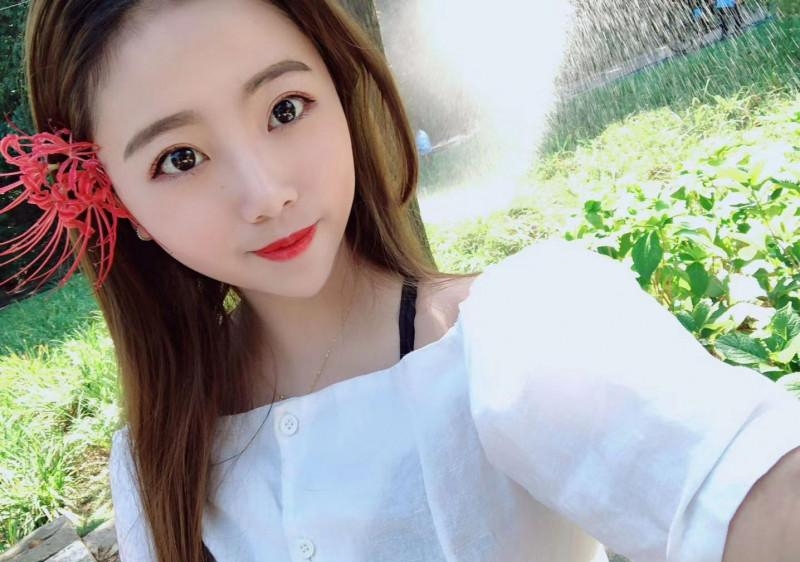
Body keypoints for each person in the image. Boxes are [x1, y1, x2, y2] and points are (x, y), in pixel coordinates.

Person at [2, 1, 799, 561]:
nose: (265, 193)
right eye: (180, 158)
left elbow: (741, 483)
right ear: (117, 201)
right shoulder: (155, 462)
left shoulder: (515, 334)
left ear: (340, 91)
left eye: (285, 108)